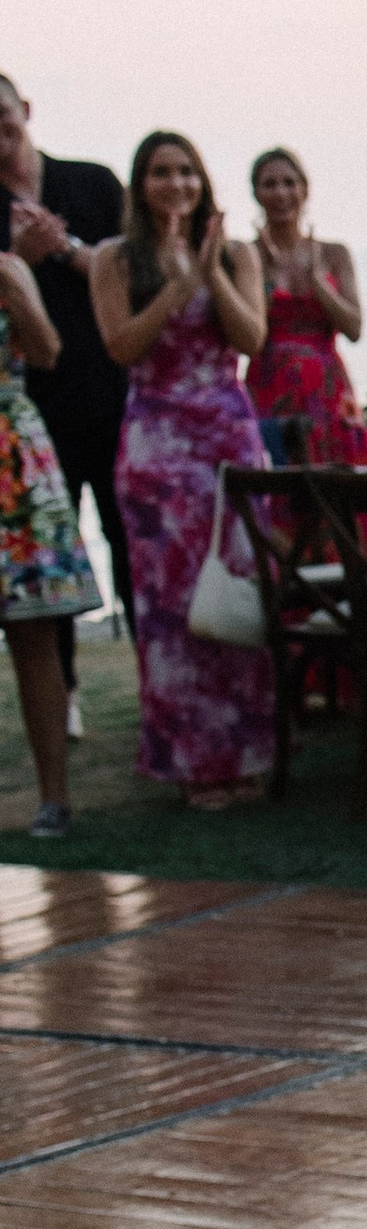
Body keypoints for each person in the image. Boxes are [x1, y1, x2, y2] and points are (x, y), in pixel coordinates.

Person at [93, 133, 272, 808]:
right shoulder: (115, 258)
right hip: (157, 445)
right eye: (162, 173)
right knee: (172, 603)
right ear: (141, 185)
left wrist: (211, 272)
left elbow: (252, 339)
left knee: (238, 591)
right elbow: (121, 347)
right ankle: (194, 763)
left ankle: (248, 754)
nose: (177, 184)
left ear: (203, 180)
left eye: (187, 172)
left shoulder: (236, 252)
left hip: (228, 434)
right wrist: (177, 284)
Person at [1, 71, 129, 720]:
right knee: (53, 560)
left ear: (25, 110)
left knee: (127, 539)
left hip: (114, 390)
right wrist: (19, 256)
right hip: (32, 411)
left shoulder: (92, 183)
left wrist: (70, 249)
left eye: (4, 117)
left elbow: (137, 267)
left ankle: (157, 680)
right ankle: (67, 691)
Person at [0, 238, 100, 838]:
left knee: (34, 632)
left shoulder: (9, 268)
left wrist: (16, 287)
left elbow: (47, 351)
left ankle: (54, 799)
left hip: (11, 457)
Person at [245, 149, 367, 467]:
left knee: (341, 482)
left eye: (289, 183)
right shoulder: (247, 257)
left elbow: (354, 328)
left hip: (327, 388)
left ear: (305, 189)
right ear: (256, 193)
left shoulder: (334, 254)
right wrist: (267, 281)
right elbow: (245, 338)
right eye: (270, 184)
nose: (281, 193)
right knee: (274, 483)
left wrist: (319, 284)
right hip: (270, 386)